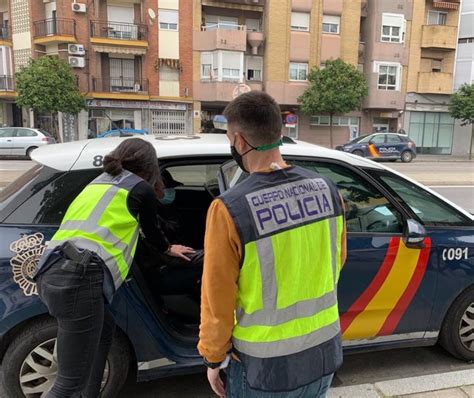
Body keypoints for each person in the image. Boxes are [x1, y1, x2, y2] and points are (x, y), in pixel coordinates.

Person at [198, 92, 347, 397]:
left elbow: (217, 297)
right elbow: (338, 259)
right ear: (279, 132)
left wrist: (214, 357)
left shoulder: (229, 208)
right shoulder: (328, 190)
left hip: (264, 371)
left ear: (239, 141)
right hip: (323, 357)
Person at [33, 138, 195, 398]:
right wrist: (168, 250)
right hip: (79, 279)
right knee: (67, 383)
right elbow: (153, 235)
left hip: (53, 270)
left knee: (104, 331)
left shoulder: (98, 183)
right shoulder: (140, 189)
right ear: (150, 166)